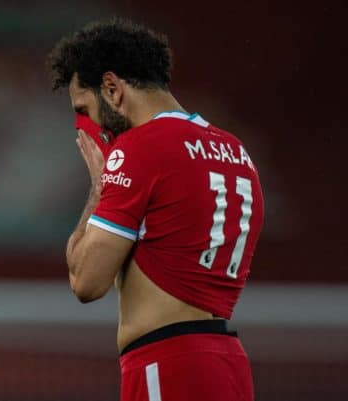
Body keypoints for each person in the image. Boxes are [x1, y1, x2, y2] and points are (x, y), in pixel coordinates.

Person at [48, 18, 264, 401]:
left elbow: (86, 281)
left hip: (166, 363)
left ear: (112, 88)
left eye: (85, 108)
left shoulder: (143, 147)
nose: (88, 124)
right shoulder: (235, 152)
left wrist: (99, 190)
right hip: (226, 363)